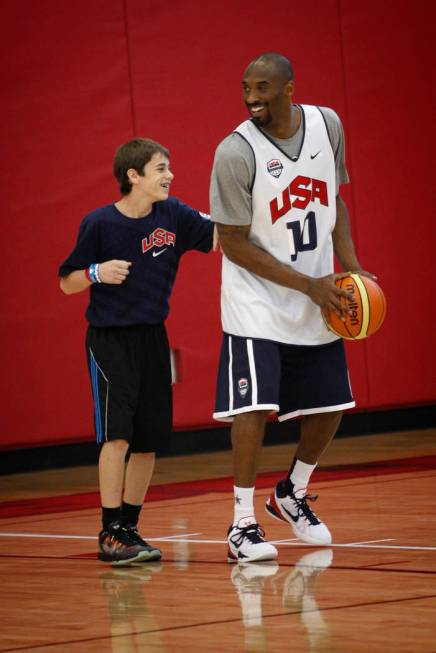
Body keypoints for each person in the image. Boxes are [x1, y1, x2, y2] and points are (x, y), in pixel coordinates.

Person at [210, 52, 375, 563]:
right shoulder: (235, 152)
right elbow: (234, 243)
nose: (251, 97)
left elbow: (334, 201)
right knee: (254, 408)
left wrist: (351, 268)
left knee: (330, 409)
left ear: (289, 88)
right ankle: (241, 524)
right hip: (256, 299)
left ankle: (291, 492)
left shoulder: (328, 125)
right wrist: (311, 285)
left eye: (262, 87)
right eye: (245, 88)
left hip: (318, 290)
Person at [59, 138, 213, 566]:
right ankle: (109, 530)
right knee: (118, 434)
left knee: (147, 442)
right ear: (134, 176)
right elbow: (66, 281)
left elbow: (219, 236)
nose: (170, 176)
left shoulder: (174, 215)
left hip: (152, 338)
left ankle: (129, 527)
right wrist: (95, 272)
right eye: (161, 168)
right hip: (110, 340)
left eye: (169, 168)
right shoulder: (99, 224)